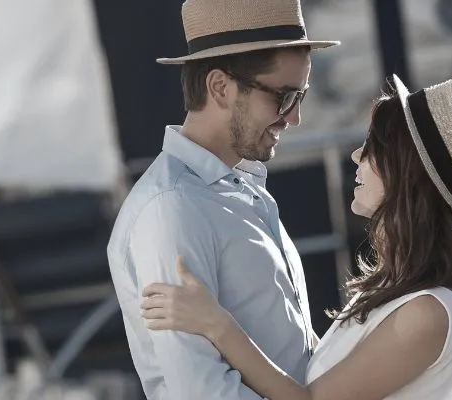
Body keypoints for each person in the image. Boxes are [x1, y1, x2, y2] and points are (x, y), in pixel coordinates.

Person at [139, 74, 452, 400]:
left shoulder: (428, 312)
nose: (356, 156)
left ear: (407, 174)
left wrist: (216, 324)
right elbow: (335, 379)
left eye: (373, 148)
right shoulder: (406, 292)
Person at [105, 0, 340, 398]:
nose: (294, 118)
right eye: (284, 97)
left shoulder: (240, 188)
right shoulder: (172, 208)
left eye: (300, 97)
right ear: (220, 87)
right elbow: (200, 391)